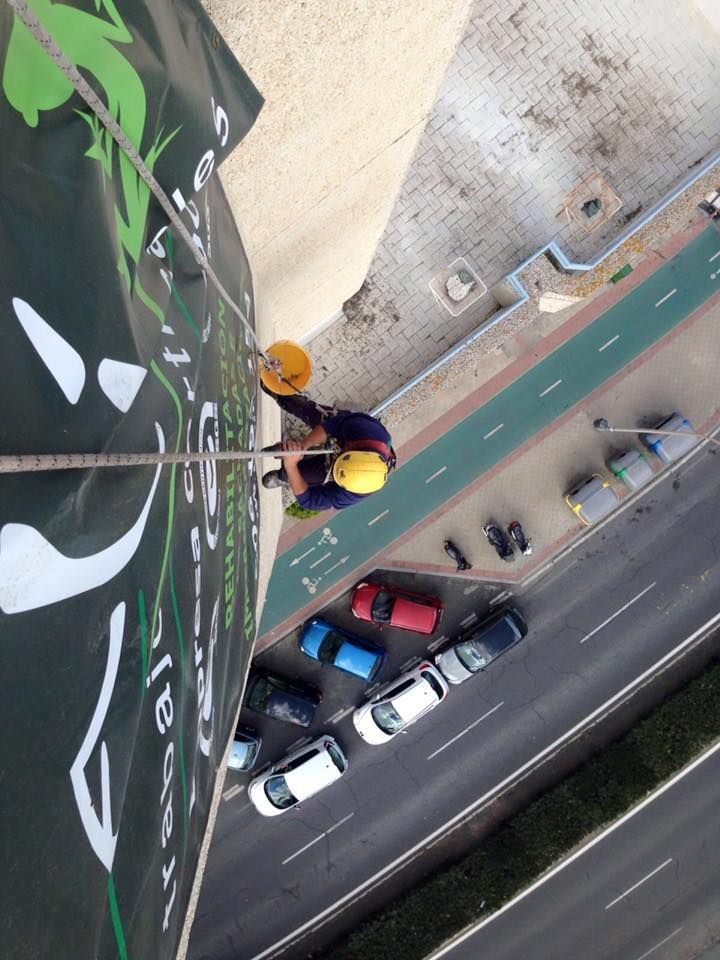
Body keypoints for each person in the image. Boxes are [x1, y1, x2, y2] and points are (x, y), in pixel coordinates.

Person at [261, 389, 396, 512]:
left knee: (298, 474)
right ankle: (281, 394)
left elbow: (310, 501)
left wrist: (291, 466)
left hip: (336, 466)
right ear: (350, 450)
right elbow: (333, 425)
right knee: (306, 409)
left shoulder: (354, 491)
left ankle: (282, 477)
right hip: (346, 433)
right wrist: (303, 446)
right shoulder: (367, 430)